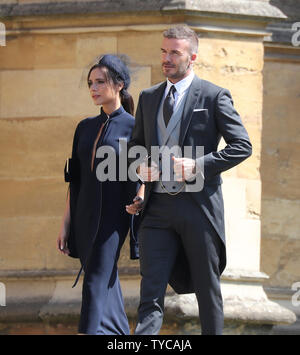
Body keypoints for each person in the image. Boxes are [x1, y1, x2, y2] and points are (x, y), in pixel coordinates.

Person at [126, 25, 252, 335]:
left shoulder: (213, 96)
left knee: (208, 292)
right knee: (150, 293)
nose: (166, 58)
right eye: (163, 52)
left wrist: (197, 165)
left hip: (199, 209)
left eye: (174, 53)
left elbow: (242, 146)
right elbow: (135, 148)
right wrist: (140, 169)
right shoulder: (149, 96)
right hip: (156, 211)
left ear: (192, 57)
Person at [57, 54, 140, 335]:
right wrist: (65, 224)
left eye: (100, 82)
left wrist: (140, 197)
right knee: (105, 279)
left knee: (95, 278)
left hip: (112, 219)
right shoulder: (84, 127)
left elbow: (145, 170)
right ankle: (119, 334)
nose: (93, 88)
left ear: (119, 85)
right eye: (91, 83)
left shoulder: (134, 127)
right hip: (83, 216)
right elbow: (75, 180)